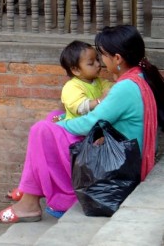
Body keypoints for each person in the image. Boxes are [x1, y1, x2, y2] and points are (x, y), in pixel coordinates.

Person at [0, 25, 164, 224]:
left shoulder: (125, 87)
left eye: (103, 56)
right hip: (127, 152)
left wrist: (63, 124)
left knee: (42, 129)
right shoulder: (141, 75)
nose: (101, 62)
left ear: (117, 58)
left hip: (120, 165)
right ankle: (29, 192)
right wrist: (61, 121)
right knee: (53, 117)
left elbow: (89, 125)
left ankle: (30, 200)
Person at [6, 40, 112, 206]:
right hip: (75, 131)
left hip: (90, 130)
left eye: (98, 60)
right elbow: (79, 107)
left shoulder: (98, 82)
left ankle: (28, 187)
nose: (99, 65)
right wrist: (100, 101)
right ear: (76, 70)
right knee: (41, 132)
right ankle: (33, 188)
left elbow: (110, 89)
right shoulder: (71, 87)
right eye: (91, 63)